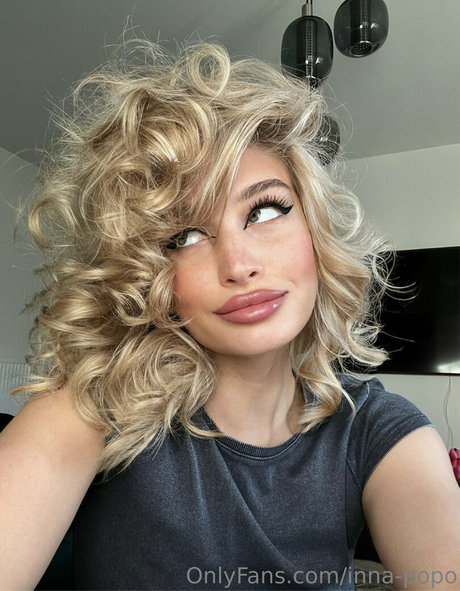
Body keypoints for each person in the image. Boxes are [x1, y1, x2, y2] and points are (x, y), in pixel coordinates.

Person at [1, 40, 459, 591]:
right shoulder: (96, 405)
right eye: (185, 236)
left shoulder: (376, 429)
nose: (239, 265)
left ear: (315, 230)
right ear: (152, 277)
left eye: (264, 211)